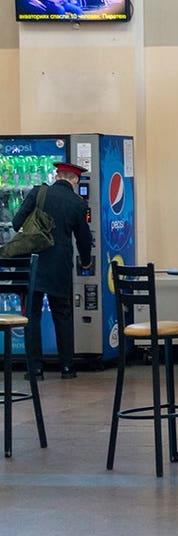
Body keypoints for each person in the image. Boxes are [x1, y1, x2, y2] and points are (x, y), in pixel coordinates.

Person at [12, 162, 93, 379]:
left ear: (57, 176)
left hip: (33, 262)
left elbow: (16, 222)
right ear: (75, 181)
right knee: (62, 314)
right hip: (60, 265)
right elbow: (84, 238)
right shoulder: (78, 203)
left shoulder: (38, 192)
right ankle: (67, 367)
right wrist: (86, 261)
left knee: (32, 315)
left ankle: (35, 369)